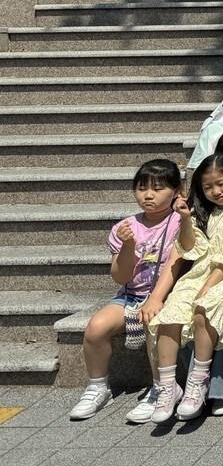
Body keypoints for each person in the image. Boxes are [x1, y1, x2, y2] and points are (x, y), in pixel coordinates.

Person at [69, 160, 183, 422]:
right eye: (142, 188)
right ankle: (98, 387)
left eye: (158, 188)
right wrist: (128, 246)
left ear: (176, 191)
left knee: (153, 322)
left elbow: (179, 263)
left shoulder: (180, 221)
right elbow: (120, 276)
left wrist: (156, 299)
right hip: (131, 294)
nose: (149, 195)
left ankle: (161, 388)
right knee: (96, 327)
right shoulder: (125, 227)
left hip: (170, 294)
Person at [147, 155, 223, 422]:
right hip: (201, 272)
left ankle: (197, 381)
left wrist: (209, 285)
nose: (216, 192)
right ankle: (167, 386)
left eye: (221, 184)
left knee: (204, 308)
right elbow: (189, 247)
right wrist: (185, 218)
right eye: (208, 187)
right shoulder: (201, 213)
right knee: (171, 312)